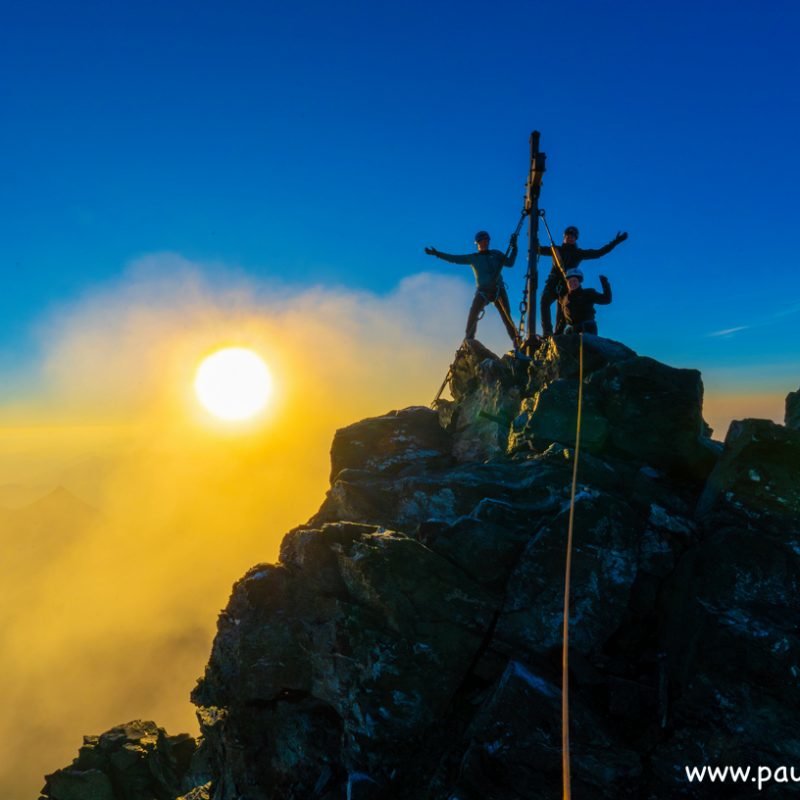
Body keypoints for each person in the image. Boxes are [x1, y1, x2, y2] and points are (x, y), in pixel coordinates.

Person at [425, 230, 520, 347]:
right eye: (482, 241)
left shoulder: (496, 254)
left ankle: (516, 341)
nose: (485, 243)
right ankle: (469, 340)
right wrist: (437, 254)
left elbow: (510, 263)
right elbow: (454, 259)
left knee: (506, 316)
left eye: (486, 240)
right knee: (473, 313)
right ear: (477, 243)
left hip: (498, 289)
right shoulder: (473, 258)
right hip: (483, 291)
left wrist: (514, 248)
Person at [539, 225, 627, 337]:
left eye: (573, 236)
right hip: (553, 283)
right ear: (564, 237)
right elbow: (536, 249)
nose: (570, 238)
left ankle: (557, 337)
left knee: (562, 314)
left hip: (568, 285)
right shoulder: (556, 250)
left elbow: (599, 253)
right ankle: (547, 333)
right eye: (568, 236)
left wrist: (616, 241)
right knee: (544, 301)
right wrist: (533, 237)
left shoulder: (578, 253)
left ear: (576, 239)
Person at [557, 268, 611, 335]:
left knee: (585, 342)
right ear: (567, 283)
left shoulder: (588, 293)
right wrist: (556, 334)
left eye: (574, 281)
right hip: (572, 331)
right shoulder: (564, 300)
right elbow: (563, 319)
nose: (572, 283)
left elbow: (607, 299)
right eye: (570, 281)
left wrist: (605, 283)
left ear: (579, 282)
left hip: (587, 328)